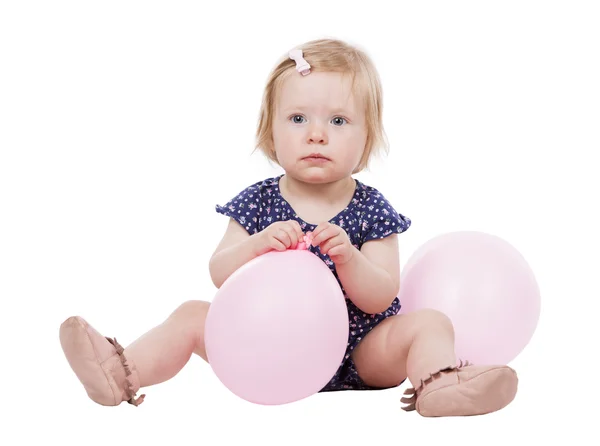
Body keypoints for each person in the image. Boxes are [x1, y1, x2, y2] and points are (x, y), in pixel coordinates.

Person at [59, 38, 518, 417]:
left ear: (366, 138)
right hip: (267, 348)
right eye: (298, 119)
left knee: (429, 322)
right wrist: (256, 246)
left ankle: (439, 384)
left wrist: (349, 258)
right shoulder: (259, 201)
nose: (316, 134)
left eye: (338, 121)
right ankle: (122, 372)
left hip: (362, 355)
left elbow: (381, 295)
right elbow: (220, 273)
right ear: (270, 131)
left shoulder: (372, 208)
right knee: (191, 315)